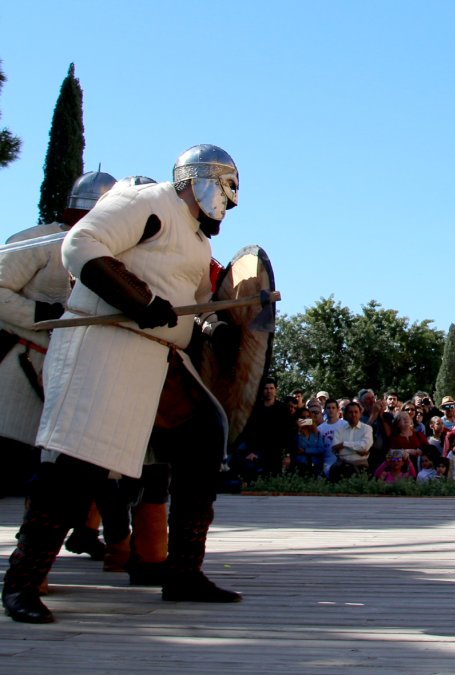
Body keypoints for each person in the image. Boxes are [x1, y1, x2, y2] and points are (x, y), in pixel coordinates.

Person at [4, 146, 243, 624]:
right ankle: (22, 582)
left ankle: (183, 573)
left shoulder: (197, 242)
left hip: (160, 355)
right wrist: (138, 300)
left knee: (202, 438)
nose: (229, 202)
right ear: (202, 180)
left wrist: (213, 328)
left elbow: (191, 305)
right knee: (75, 467)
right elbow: (82, 244)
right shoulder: (145, 200)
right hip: (106, 347)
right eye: (227, 189)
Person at [0, 170, 116, 497]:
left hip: (64, 377)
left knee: (43, 479)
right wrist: (41, 314)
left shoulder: (109, 257)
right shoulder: (38, 241)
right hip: (18, 365)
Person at [330, 401, 373, 480]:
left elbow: (364, 447)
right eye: (350, 412)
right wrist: (358, 449)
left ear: (360, 414)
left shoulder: (367, 429)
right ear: (346, 415)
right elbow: (335, 449)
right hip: (342, 466)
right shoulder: (339, 430)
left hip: (361, 465)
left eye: (356, 412)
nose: (353, 415)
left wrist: (343, 444)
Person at [294, 404, 334, 477]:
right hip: (300, 465)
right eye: (303, 417)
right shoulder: (295, 433)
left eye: (308, 417)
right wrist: (298, 429)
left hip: (315, 466)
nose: (306, 419)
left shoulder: (315, 433)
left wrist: (305, 450)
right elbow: (296, 447)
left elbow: (321, 449)